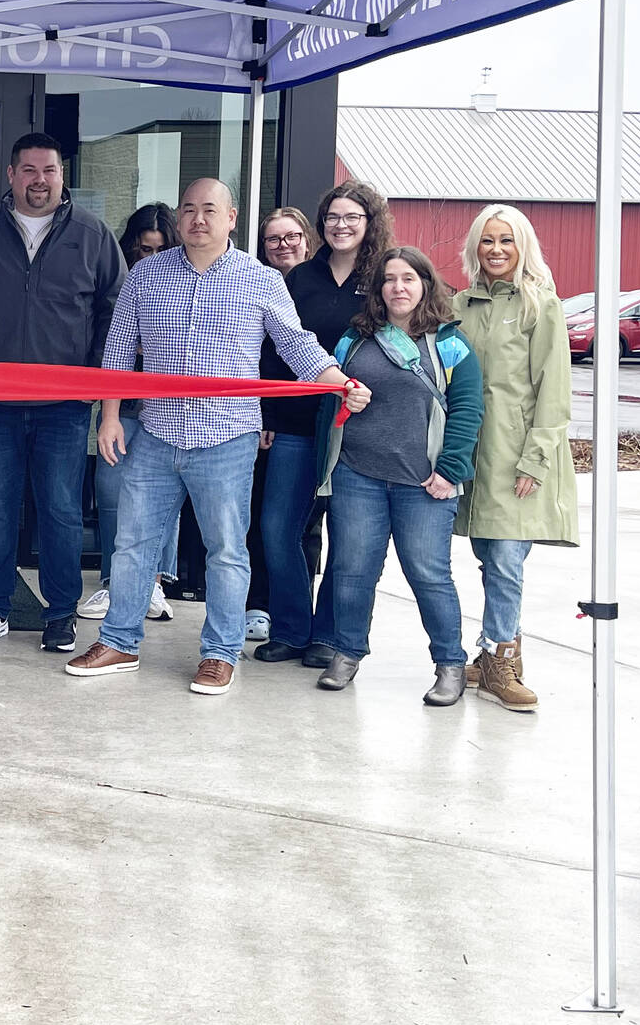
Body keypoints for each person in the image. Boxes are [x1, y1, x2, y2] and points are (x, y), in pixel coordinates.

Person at [66, 178, 366, 694]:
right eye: (188, 209)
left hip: (227, 439)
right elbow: (118, 351)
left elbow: (296, 346)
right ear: (178, 218)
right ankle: (118, 641)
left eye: (210, 209)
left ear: (231, 218)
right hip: (155, 433)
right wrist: (109, 416)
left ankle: (220, 653)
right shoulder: (145, 274)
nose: (198, 219)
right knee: (132, 544)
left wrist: (341, 383)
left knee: (226, 550)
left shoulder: (261, 279)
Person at [0, 132, 126, 654]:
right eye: (29, 170)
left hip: (64, 404)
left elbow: (116, 312)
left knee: (61, 511)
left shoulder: (92, 234)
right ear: (11, 175)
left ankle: (61, 613)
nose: (39, 181)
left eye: (49, 170)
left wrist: (93, 379)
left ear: (63, 175)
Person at [311, 247, 483, 705]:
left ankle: (450, 664)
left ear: (425, 284)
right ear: (378, 288)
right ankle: (347, 653)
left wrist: (449, 471)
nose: (398, 287)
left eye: (408, 278)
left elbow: (467, 410)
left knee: (428, 574)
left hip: (424, 484)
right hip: (357, 475)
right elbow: (328, 396)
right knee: (352, 571)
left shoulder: (449, 344)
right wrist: (343, 401)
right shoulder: (355, 339)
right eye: (389, 279)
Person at [251, 180, 396, 670]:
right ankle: (291, 629)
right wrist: (267, 413)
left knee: (348, 538)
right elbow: (274, 346)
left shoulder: (384, 277)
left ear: (369, 222)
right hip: (295, 422)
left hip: (359, 426)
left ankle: (331, 636)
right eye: (333, 217)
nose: (341, 225)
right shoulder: (300, 278)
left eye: (352, 217)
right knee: (277, 528)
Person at [455, 205, 577, 713]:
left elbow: (555, 388)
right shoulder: (459, 305)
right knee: (489, 557)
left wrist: (536, 459)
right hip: (472, 453)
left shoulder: (540, 305)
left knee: (506, 560)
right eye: (487, 240)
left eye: (506, 240)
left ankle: (501, 659)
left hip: (518, 456)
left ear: (522, 246)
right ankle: (491, 655)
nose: (496, 249)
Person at [83, 202, 179, 624]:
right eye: (144, 249)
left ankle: (154, 583)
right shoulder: (120, 279)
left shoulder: (185, 281)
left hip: (169, 406)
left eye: (160, 249)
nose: (151, 257)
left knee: (165, 497)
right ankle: (113, 581)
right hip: (120, 402)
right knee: (111, 491)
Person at [244, 206, 317, 645]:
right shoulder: (256, 282)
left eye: (291, 236)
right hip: (268, 421)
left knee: (307, 527)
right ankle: (261, 606)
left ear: (307, 240)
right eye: (273, 239)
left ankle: (300, 617)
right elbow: (257, 358)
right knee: (265, 520)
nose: (283, 245)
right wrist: (266, 413)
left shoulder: (319, 284)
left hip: (317, 420)